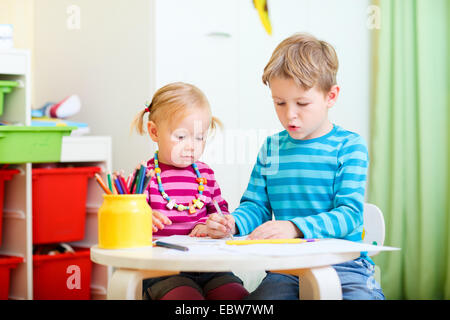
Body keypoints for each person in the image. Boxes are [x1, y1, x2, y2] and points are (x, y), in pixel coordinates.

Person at [205, 33, 385, 300]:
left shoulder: (349, 147)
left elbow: (350, 215)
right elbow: (256, 206)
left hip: (345, 268)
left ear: (331, 96)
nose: (289, 114)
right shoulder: (272, 148)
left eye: (302, 103)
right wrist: (234, 223)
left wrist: (294, 227)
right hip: (286, 270)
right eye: (279, 103)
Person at [130, 82, 248, 300]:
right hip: (163, 271)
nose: (192, 146)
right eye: (181, 137)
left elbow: (222, 217)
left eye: (199, 137)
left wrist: (217, 225)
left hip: (208, 266)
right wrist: (141, 219)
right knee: (186, 298)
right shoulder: (144, 176)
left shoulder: (206, 175)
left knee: (237, 296)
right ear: (154, 132)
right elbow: (126, 223)